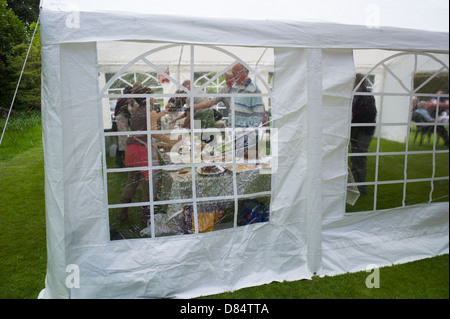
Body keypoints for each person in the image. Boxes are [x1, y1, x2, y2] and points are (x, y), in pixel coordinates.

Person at [120, 85, 181, 223]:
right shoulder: (150, 112)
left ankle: (123, 212)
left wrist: (164, 112)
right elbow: (154, 132)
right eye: (151, 95)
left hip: (131, 149)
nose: (153, 98)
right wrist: (171, 141)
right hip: (143, 150)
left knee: (131, 182)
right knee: (149, 183)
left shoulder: (135, 110)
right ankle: (146, 216)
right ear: (147, 98)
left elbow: (150, 120)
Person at [230, 63, 265, 159]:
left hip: (246, 133)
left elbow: (258, 113)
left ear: (244, 72)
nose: (232, 75)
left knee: (247, 162)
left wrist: (248, 131)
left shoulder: (254, 90)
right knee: (236, 161)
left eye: (235, 73)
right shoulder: (234, 87)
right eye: (232, 73)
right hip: (234, 132)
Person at [350, 73, 377, 195]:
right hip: (358, 131)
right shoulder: (358, 94)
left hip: (363, 131)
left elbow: (366, 115)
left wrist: (352, 113)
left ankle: (361, 188)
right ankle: (355, 185)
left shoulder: (365, 96)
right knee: (356, 158)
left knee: (359, 158)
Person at [113, 86, 132, 167]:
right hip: (121, 122)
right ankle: (122, 161)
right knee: (123, 142)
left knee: (121, 143)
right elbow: (126, 111)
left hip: (120, 122)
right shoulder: (124, 100)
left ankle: (120, 161)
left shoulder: (123, 99)